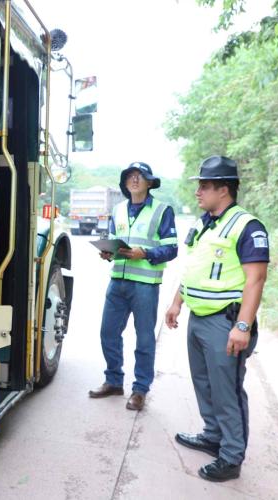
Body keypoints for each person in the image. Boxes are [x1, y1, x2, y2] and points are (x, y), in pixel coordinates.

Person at [164, 156, 269, 482]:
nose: (198, 191)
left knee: (228, 391)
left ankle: (231, 456)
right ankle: (213, 436)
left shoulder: (247, 226)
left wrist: (243, 326)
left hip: (226, 323)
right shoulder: (204, 222)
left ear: (224, 189)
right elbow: (194, 267)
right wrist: (176, 303)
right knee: (204, 383)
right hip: (198, 318)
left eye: (205, 186)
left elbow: (256, 280)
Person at [88, 162, 178, 411]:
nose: (135, 179)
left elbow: (172, 248)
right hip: (117, 281)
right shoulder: (116, 210)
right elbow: (115, 243)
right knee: (108, 332)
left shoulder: (162, 210)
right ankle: (114, 381)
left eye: (140, 176)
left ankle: (140, 390)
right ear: (125, 183)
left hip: (145, 285)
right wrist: (108, 253)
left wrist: (145, 253)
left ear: (150, 183)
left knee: (145, 339)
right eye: (130, 176)